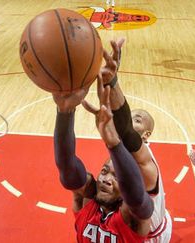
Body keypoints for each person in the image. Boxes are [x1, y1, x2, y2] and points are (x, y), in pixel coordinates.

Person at [53, 73, 154, 242]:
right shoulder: (88, 199)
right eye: (105, 171)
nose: (106, 179)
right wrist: (65, 111)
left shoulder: (132, 216)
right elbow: (67, 168)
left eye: (117, 177)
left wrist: (113, 143)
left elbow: (135, 195)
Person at [92, 38, 172, 242]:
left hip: (151, 236)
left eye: (137, 119)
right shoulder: (127, 151)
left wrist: (112, 81)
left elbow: (125, 129)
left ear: (146, 135)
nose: (129, 121)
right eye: (131, 116)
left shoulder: (143, 160)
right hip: (141, 221)